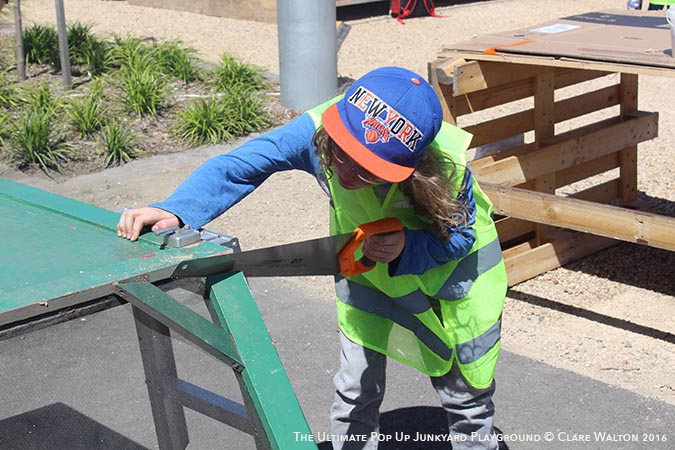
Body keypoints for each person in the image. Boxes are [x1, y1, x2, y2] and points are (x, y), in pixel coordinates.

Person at [118, 66, 508, 450]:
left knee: (466, 397)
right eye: (343, 154)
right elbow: (240, 165)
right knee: (356, 387)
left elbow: (460, 239)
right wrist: (178, 209)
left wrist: (409, 246)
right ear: (334, 128)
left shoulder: (446, 170)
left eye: (370, 170)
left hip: (454, 284)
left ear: (413, 168)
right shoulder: (322, 126)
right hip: (370, 274)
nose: (348, 173)